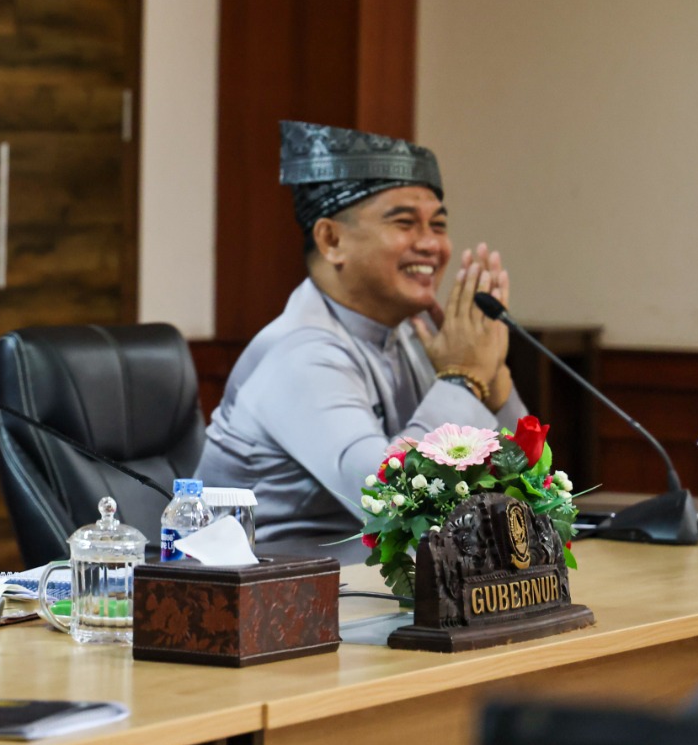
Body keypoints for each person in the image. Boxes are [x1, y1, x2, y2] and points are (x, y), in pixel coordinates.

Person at [194, 120, 527, 543]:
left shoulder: (411, 334)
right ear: (331, 240)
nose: (431, 245)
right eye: (405, 223)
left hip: (378, 598)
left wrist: (493, 382)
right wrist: (462, 379)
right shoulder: (301, 354)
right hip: (278, 601)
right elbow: (393, 501)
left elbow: (519, 485)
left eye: (438, 225)